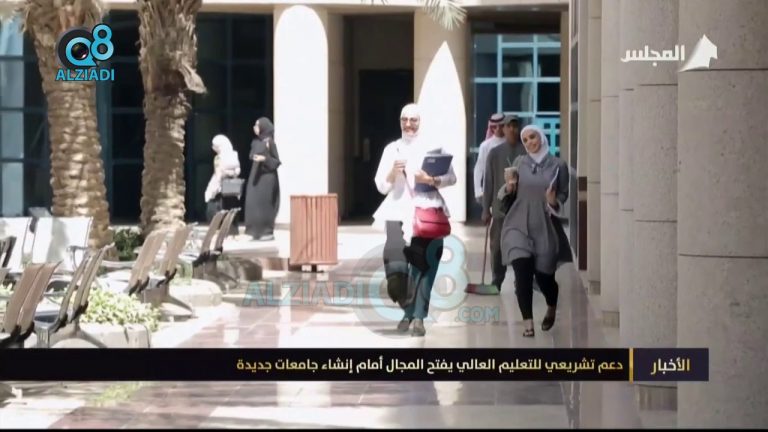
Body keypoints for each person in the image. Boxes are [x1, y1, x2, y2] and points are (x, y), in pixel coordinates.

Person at [373, 103, 457, 337]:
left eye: (413, 120)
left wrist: (430, 179)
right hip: (397, 213)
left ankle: (417, 316)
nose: (408, 124)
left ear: (420, 122)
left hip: (427, 212)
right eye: (404, 119)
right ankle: (407, 308)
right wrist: (392, 173)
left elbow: (451, 177)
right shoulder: (392, 149)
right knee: (396, 268)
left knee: (423, 267)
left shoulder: (433, 148)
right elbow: (381, 186)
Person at [496, 124, 570, 337]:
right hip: (517, 223)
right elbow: (506, 192)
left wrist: (553, 201)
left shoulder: (558, 165)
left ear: (542, 137)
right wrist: (508, 187)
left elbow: (563, 195)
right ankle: (528, 324)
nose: (529, 142)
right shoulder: (520, 163)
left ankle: (551, 304)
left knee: (545, 276)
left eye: (532, 137)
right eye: (525, 140)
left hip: (544, 225)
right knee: (522, 272)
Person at [481, 114, 525, 291]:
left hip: (521, 209)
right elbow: (488, 183)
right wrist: (485, 209)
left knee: (520, 246)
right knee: (497, 246)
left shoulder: (526, 152)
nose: (512, 129)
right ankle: (497, 280)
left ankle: (521, 280)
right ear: (503, 129)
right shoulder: (494, 153)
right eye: (509, 126)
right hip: (500, 209)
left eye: (515, 126)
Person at [244, 117, 281, 241]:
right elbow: (251, 155)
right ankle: (254, 232)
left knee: (265, 204)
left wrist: (265, 159)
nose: (255, 128)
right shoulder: (255, 142)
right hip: (255, 177)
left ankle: (266, 232)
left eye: (257, 125)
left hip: (267, 179)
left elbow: (276, 161)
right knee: (252, 203)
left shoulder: (269, 142)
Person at [204, 134, 241, 236]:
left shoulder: (218, 158)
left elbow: (218, 174)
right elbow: (237, 171)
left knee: (217, 209)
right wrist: (231, 174)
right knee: (231, 209)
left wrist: (213, 188)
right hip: (231, 187)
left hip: (220, 187)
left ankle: (222, 232)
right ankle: (232, 232)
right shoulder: (233, 155)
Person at [473, 113, 506, 204]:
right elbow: (479, 168)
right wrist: (478, 191)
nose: (498, 129)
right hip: (491, 190)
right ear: (491, 128)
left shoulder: (511, 142)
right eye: (494, 127)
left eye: (501, 126)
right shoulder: (485, 145)